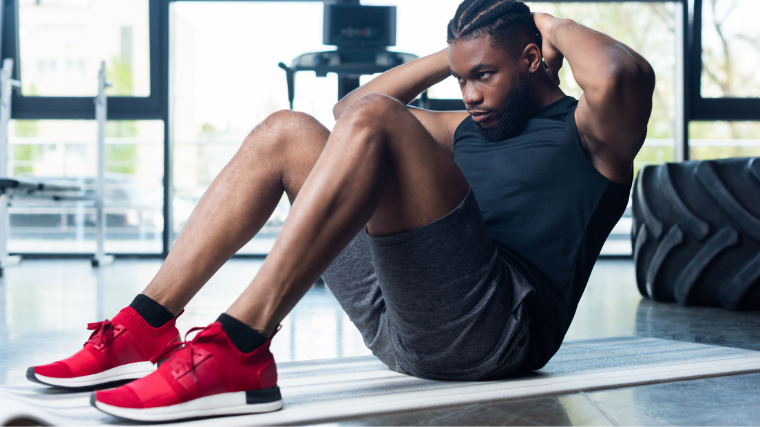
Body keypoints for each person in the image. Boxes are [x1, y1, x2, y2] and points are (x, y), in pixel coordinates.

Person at [26, 0, 654, 421]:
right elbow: (351, 111)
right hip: (405, 322)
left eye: (483, 75)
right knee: (289, 130)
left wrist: (549, 21)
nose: (469, 94)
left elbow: (623, 71)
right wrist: (460, 52)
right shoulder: (466, 125)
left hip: (495, 333)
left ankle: (239, 343)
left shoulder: (592, 132)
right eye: (462, 80)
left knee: (380, 120)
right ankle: (145, 325)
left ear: (532, 58)